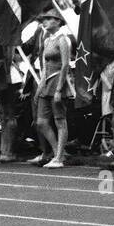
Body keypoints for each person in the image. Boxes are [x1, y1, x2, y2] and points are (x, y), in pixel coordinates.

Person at [31, 13, 73, 169]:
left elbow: (65, 65)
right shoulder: (47, 40)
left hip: (58, 81)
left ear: (57, 21)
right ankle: (57, 152)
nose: (44, 22)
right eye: (43, 20)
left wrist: (59, 89)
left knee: (60, 120)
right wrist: (40, 87)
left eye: (48, 19)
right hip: (46, 81)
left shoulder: (63, 39)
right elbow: (44, 65)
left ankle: (59, 157)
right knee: (41, 121)